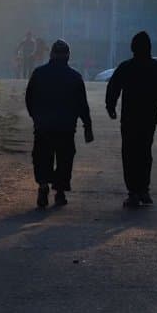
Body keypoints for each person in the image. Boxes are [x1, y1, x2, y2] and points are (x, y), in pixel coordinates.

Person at [25, 39, 94, 208]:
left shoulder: (39, 73)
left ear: (51, 55)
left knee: (42, 157)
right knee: (64, 159)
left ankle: (43, 185)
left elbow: (29, 98)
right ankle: (60, 191)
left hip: (44, 126)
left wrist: (36, 117)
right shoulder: (75, 77)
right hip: (66, 127)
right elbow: (82, 105)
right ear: (68, 56)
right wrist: (87, 126)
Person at [106, 31, 157, 208]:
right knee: (145, 153)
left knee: (129, 154)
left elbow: (113, 88)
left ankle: (133, 191)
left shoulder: (126, 67)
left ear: (132, 48)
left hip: (129, 118)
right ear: (149, 48)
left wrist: (110, 107)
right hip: (148, 118)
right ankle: (144, 189)